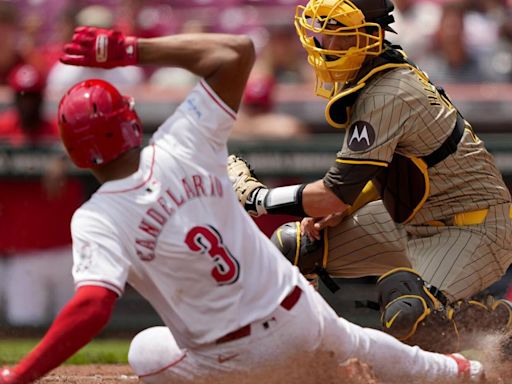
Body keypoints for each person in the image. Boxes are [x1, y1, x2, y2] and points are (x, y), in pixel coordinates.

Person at [0, 26, 484, 384]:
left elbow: (91, 307)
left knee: (143, 349)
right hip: (300, 318)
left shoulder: (96, 216)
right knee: (349, 339)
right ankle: (458, 369)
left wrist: (21, 375)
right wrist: (126, 49)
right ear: (130, 121)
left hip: (230, 362)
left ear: (73, 151)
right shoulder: (182, 142)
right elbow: (236, 50)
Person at [228, 0, 512, 355]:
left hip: (474, 227)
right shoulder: (372, 79)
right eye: (324, 33)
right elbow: (380, 173)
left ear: (369, 38)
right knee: (296, 247)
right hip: (415, 219)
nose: (323, 44)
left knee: (407, 316)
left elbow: (331, 193)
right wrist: (346, 206)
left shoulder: (389, 92)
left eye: (337, 35)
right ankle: (304, 355)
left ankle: (499, 323)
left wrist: (256, 197)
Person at [0, 64, 83, 326]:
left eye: (33, 96)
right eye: (23, 96)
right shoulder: (2, 131)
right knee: (25, 328)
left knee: (74, 328)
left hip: (66, 250)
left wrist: (62, 157)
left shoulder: (62, 129)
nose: (28, 103)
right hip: (22, 254)